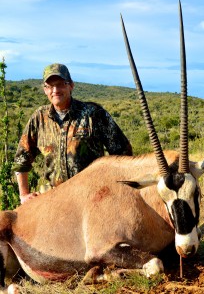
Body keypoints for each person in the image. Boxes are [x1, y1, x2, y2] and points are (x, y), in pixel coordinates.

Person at [13, 63, 132, 204]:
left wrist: (118, 190)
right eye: (50, 86)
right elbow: (21, 160)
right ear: (45, 90)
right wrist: (24, 195)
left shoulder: (93, 114)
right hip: (52, 197)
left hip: (91, 196)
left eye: (61, 84)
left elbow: (124, 153)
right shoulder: (39, 117)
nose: (55, 90)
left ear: (71, 85)